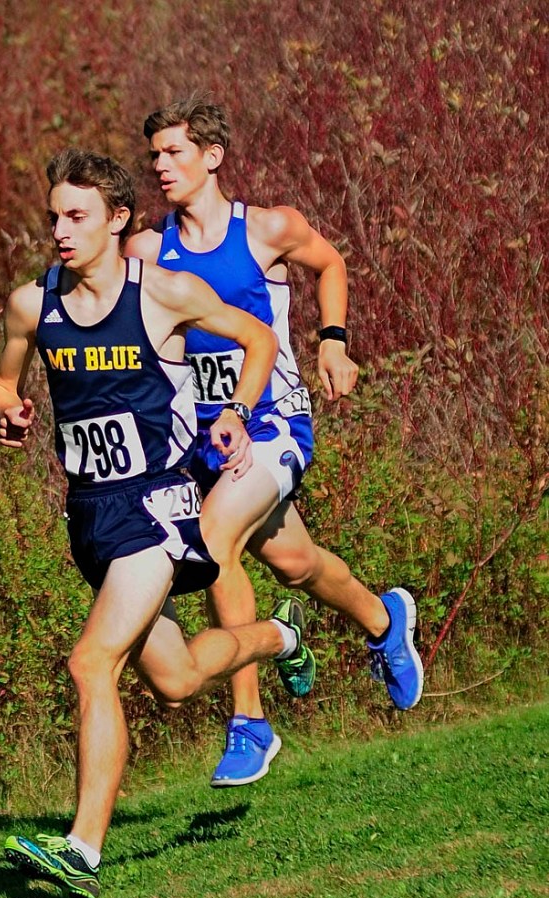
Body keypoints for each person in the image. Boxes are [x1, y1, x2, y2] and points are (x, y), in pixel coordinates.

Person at [0, 147, 315, 898]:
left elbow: (258, 340)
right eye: (53, 218)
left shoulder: (164, 291)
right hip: (91, 516)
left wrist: (234, 412)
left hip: (158, 506)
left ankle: (82, 850)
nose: (61, 232)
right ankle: (281, 635)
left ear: (117, 219)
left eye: (77, 217)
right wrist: (5, 405)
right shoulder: (34, 305)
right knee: (176, 678)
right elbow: (4, 377)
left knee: (89, 663)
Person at [125, 99, 423, 789]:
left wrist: (335, 342)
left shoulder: (267, 228)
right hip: (201, 442)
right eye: (155, 157)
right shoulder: (147, 249)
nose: (161, 167)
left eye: (174, 152)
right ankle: (385, 619)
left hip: (272, 423)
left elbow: (333, 264)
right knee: (295, 562)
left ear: (212, 156)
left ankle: (251, 722)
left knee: (214, 538)